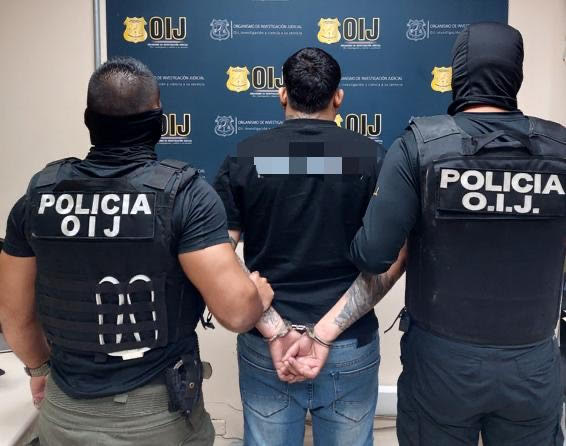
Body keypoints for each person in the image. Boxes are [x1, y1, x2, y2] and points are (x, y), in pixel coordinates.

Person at [0, 57, 274, 446]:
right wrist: (257, 295)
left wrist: (39, 370)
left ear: (89, 121)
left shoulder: (38, 198)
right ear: (159, 123)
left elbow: (14, 315)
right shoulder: (186, 197)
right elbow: (237, 312)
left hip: (65, 411)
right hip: (157, 416)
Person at [350, 22, 566, 446]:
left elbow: (373, 255)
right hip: (533, 363)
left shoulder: (419, 146)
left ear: (459, 72)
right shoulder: (560, 149)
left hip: (442, 365)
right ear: (515, 73)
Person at [214, 47, 406, 446]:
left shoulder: (244, 157)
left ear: (282, 94)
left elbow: (217, 255)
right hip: (347, 343)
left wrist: (274, 330)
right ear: (338, 97)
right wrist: (324, 333)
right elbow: (395, 256)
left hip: (267, 344)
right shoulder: (373, 158)